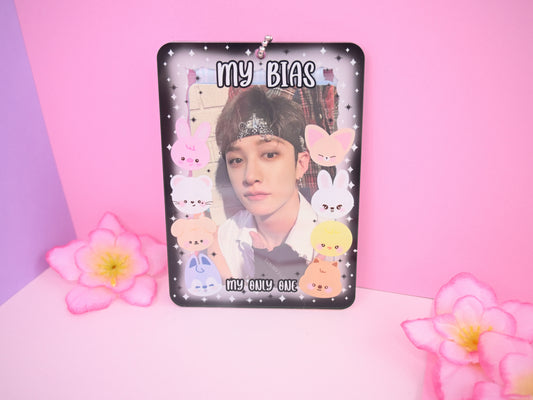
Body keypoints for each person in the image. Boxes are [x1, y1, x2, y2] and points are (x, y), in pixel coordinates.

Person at [210, 87, 318, 281]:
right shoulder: (222, 242)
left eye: (269, 155)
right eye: (236, 160)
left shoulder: (334, 240)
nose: (250, 176)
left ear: (301, 164)